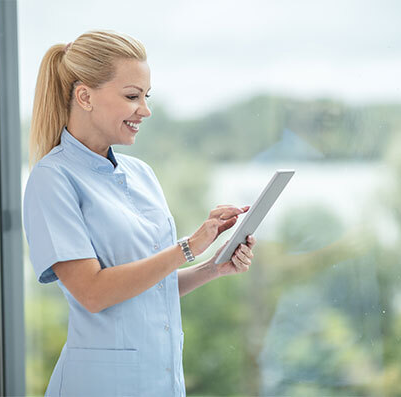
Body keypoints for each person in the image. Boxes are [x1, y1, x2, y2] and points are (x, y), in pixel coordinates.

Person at [23, 30, 256, 397]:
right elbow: (93, 293)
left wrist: (213, 265)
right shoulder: (52, 179)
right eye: (132, 96)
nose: (145, 110)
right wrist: (189, 247)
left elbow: (150, 289)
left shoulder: (142, 174)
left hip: (161, 381)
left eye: (146, 97)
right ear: (84, 96)